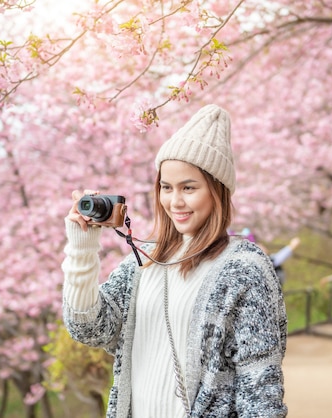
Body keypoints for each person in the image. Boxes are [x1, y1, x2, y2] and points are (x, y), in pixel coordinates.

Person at [61, 104, 288, 417]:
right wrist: (82, 247)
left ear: (217, 192)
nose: (175, 201)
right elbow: (89, 328)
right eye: (166, 188)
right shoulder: (144, 262)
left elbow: (260, 388)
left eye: (189, 188)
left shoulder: (244, 268)